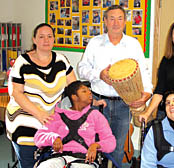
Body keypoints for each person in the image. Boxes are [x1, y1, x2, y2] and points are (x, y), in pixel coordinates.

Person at [78, 5, 152, 167]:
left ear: (125, 21)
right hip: (99, 103)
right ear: (105, 21)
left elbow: (143, 71)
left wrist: (147, 93)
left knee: (117, 147)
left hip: (124, 104)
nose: (115, 23)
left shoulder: (133, 44)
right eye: (111, 18)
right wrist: (99, 74)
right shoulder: (94, 43)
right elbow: (82, 69)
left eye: (120, 18)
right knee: (95, 143)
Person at [4, 23, 78, 168]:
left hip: (49, 119)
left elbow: (74, 88)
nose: (46, 40)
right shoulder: (22, 62)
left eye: (49, 36)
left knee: (51, 162)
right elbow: (16, 93)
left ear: (54, 39)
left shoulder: (61, 60)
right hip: (23, 117)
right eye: (41, 36)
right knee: (29, 163)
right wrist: (39, 114)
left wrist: (91, 101)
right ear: (34, 40)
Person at [34, 81, 116, 168]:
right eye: (84, 91)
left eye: (89, 90)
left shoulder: (96, 116)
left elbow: (110, 142)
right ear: (74, 97)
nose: (89, 93)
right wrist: (53, 138)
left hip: (83, 160)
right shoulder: (57, 116)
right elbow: (38, 137)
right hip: (58, 158)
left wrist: (96, 145)